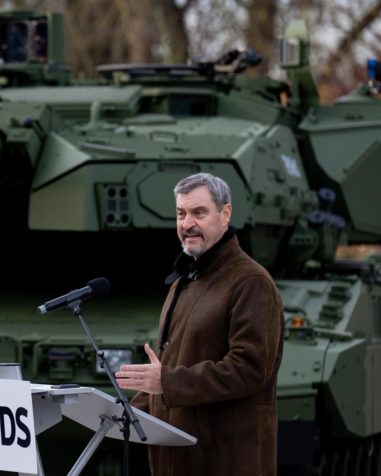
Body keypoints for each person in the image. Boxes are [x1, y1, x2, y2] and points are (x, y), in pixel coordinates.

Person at [115, 172, 284, 476]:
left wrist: (166, 382)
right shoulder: (185, 280)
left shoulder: (251, 282)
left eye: (199, 212)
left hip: (225, 461)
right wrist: (121, 414)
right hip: (178, 458)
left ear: (225, 214)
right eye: (181, 213)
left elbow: (249, 369)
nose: (187, 223)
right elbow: (172, 367)